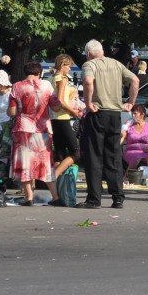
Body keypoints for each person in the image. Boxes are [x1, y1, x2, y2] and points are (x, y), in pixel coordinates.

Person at [80, 39, 139, 210]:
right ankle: (118, 197)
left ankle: (94, 199)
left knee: (94, 156)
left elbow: (89, 82)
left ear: (89, 53)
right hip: (115, 114)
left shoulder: (89, 65)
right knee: (113, 156)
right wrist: (130, 102)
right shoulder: (117, 64)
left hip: (98, 113)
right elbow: (135, 80)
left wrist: (89, 102)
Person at [9, 61, 58, 207]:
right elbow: (55, 106)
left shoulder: (17, 86)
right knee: (46, 163)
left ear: (26, 72)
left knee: (25, 163)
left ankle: (29, 197)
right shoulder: (47, 86)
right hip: (43, 128)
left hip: (23, 127)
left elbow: (12, 112)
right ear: (39, 72)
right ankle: (55, 197)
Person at [50, 54, 82, 201]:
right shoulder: (62, 79)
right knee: (76, 151)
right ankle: (54, 176)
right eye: (68, 66)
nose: (69, 68)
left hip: (54, 118)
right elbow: (61, 100)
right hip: (62, 118)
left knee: (60, 154)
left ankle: (58, 193)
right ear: (62, 65)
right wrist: (73, 112)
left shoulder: (51, 79)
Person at [121, 105, 148, 171]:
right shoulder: (129, 126)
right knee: (137, 156)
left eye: (135, 113)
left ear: (142, 115)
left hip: (146, 151)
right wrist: (123, 133)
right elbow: (121, 140)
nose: (133, 116)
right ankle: (126, 178)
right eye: (132, 114)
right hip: (131, 151)